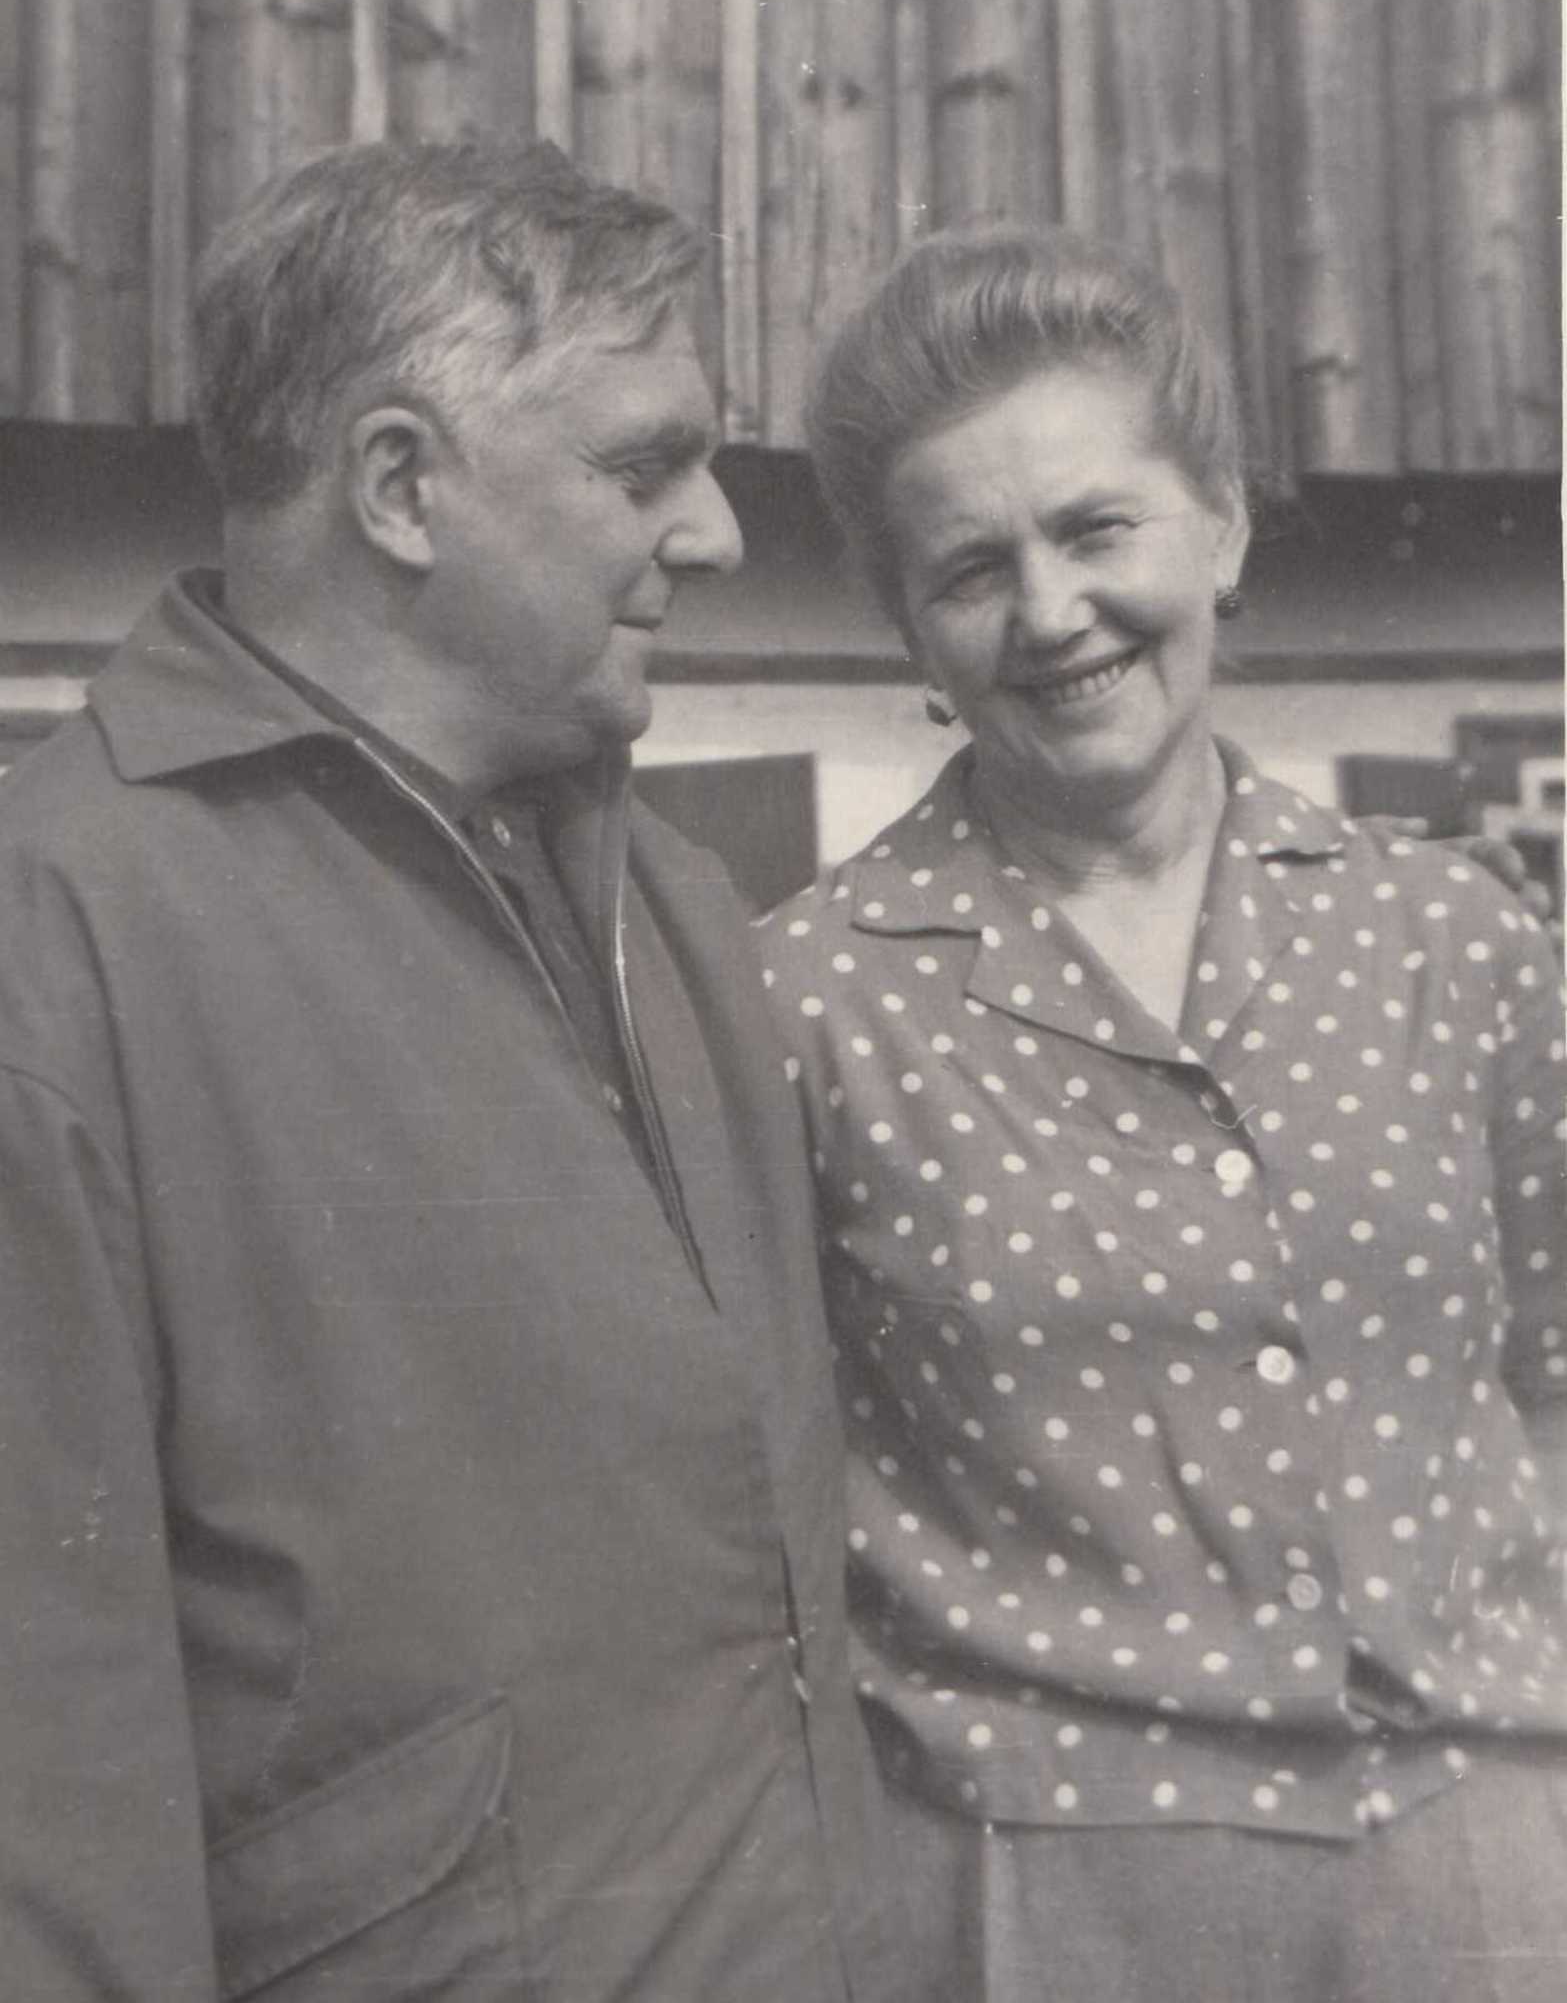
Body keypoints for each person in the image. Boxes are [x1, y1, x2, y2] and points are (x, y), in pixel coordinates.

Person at [0, 140, 906, 2003]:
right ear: (400, 485)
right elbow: (43, 1793)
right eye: (644, 467)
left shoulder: (676, 900)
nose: (719, 533)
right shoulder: (58, 941)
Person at [759, 224, 1566, 2003]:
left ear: (1224, 529)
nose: (1052, 612)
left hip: (1493, 1861)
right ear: (911, 630)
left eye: (1097, 529)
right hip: (1049, 1890)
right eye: (973, 569)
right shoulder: (806, 1008)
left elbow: (1554, 1369)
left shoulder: (1454, 939)